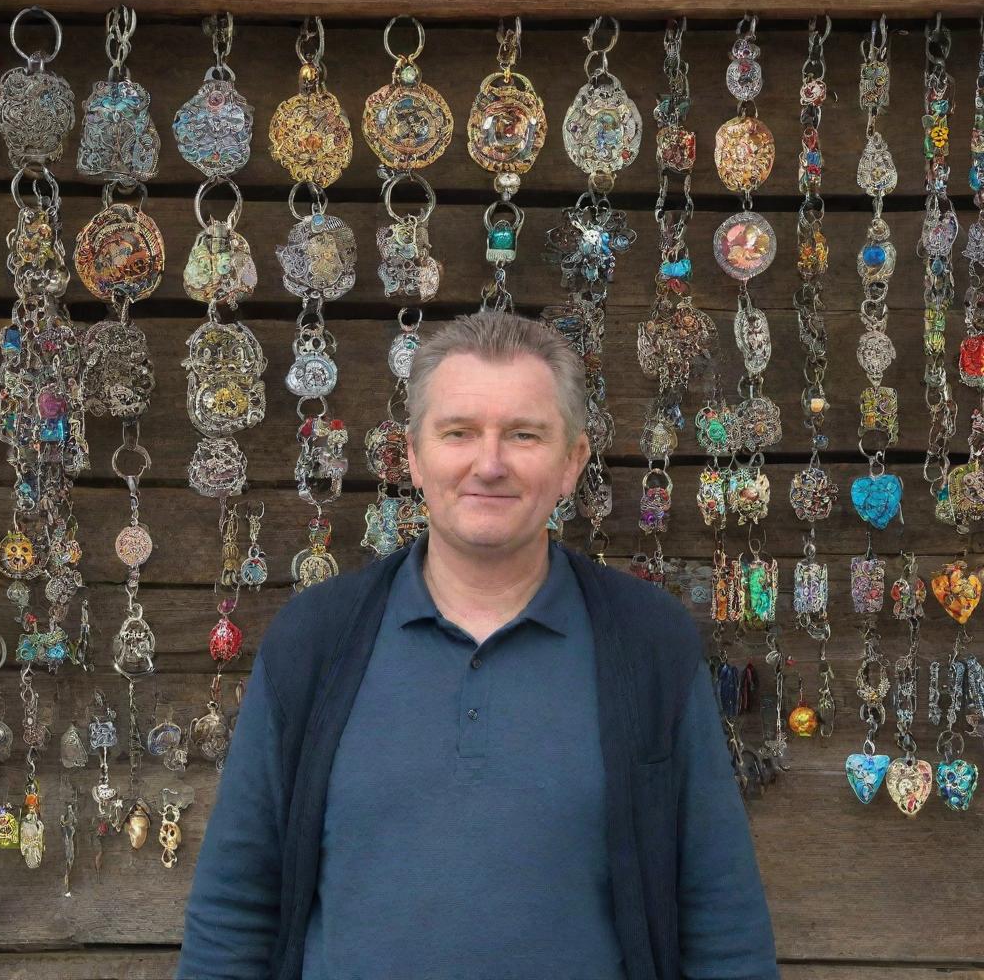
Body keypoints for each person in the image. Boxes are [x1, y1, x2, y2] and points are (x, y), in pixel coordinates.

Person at [177, 310, 779, 980]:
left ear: (572, 460)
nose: (488, 464)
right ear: (412, 454)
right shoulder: (317, 640)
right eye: (459, 432)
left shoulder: (647, 643)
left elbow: (721, 909)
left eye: (523, 435)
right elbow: (234, 904)